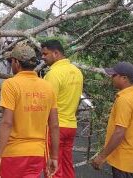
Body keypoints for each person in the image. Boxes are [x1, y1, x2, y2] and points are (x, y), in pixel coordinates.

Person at [0, 43, 59, 178]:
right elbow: (54, 125)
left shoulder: (11, 85)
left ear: (16, 62)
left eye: (11, 61)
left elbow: (6, 123)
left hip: (13, 154)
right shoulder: (48, 87)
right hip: (37, 154)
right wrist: (54, 156)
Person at [91, 62, 133, 178]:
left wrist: (102, 157)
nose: (111, 78)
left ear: (124, 78)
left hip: (124, 160)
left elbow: (119, 132)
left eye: (114, 75)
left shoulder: (125, 100)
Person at [41, 39, 83, 178]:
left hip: (55, 128)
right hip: (71, 126)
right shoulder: (77, 72)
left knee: (53, 169)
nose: (43, 57)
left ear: (56, 53)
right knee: (67, 166)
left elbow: (46, 106)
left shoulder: (53, 74)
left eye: (45, 54)